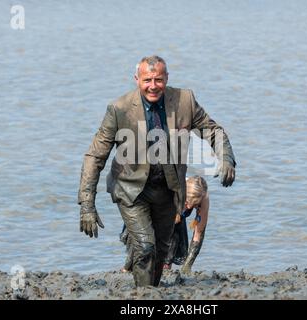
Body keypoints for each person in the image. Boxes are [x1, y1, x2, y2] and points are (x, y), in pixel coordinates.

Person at [78, 55, 236, 287]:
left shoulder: (184, 100)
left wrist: (226, 158)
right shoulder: (119, 108)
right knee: (145, 248)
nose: (153, 86)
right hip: (131, 188)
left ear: (167, 78)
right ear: (137, 79)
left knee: (162, 251)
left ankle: (149, 291)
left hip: (169, 189)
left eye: (159, 80)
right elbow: (95, 155)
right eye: (147, 80)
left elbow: (213, 131)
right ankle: (144, 298)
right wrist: (86, 204)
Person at [121, 175, 209, 274]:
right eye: (187, 202)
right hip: (148, 207)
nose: (189, 207)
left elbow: (199, 233)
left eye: (194, 205)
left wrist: (187, 267)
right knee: (144, 245)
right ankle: (128, 268)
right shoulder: (170, 188)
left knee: (172, 240)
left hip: (174, 221)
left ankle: (165, 270)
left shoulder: (203, 197)